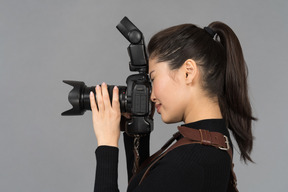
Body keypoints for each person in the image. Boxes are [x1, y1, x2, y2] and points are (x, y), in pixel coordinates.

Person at [89, 21, 256, 191]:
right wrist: (137, 133)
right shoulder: (214, 142)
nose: (152, 96)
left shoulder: (188, 161)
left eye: (153, 78)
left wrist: (107, 144)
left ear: (188, 72)